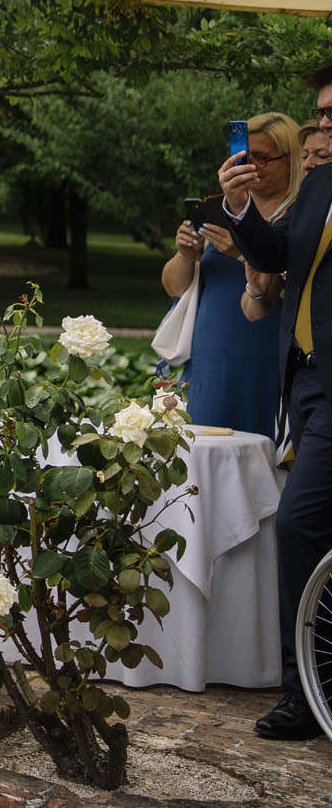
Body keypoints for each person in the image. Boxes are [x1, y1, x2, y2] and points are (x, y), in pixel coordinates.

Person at [221, 66, 332, 741]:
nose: (322, 126)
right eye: (319, 114)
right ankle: (306, 689)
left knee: (297, 523)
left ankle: (303, 688)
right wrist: (240, 210)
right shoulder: (318, 184)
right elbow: (275, 252)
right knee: (303, 527)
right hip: (309, 384)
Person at [165, 112, 298, 436]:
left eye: (263, 158)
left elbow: (304, 285)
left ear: (291, 159)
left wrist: (241, 254)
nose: (251, 167)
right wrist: (186, 255)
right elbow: (174, 287)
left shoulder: (301, 213)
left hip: (266, 354)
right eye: (244, 158)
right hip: (211, 358)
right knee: (202, 453)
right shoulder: (223, 208)